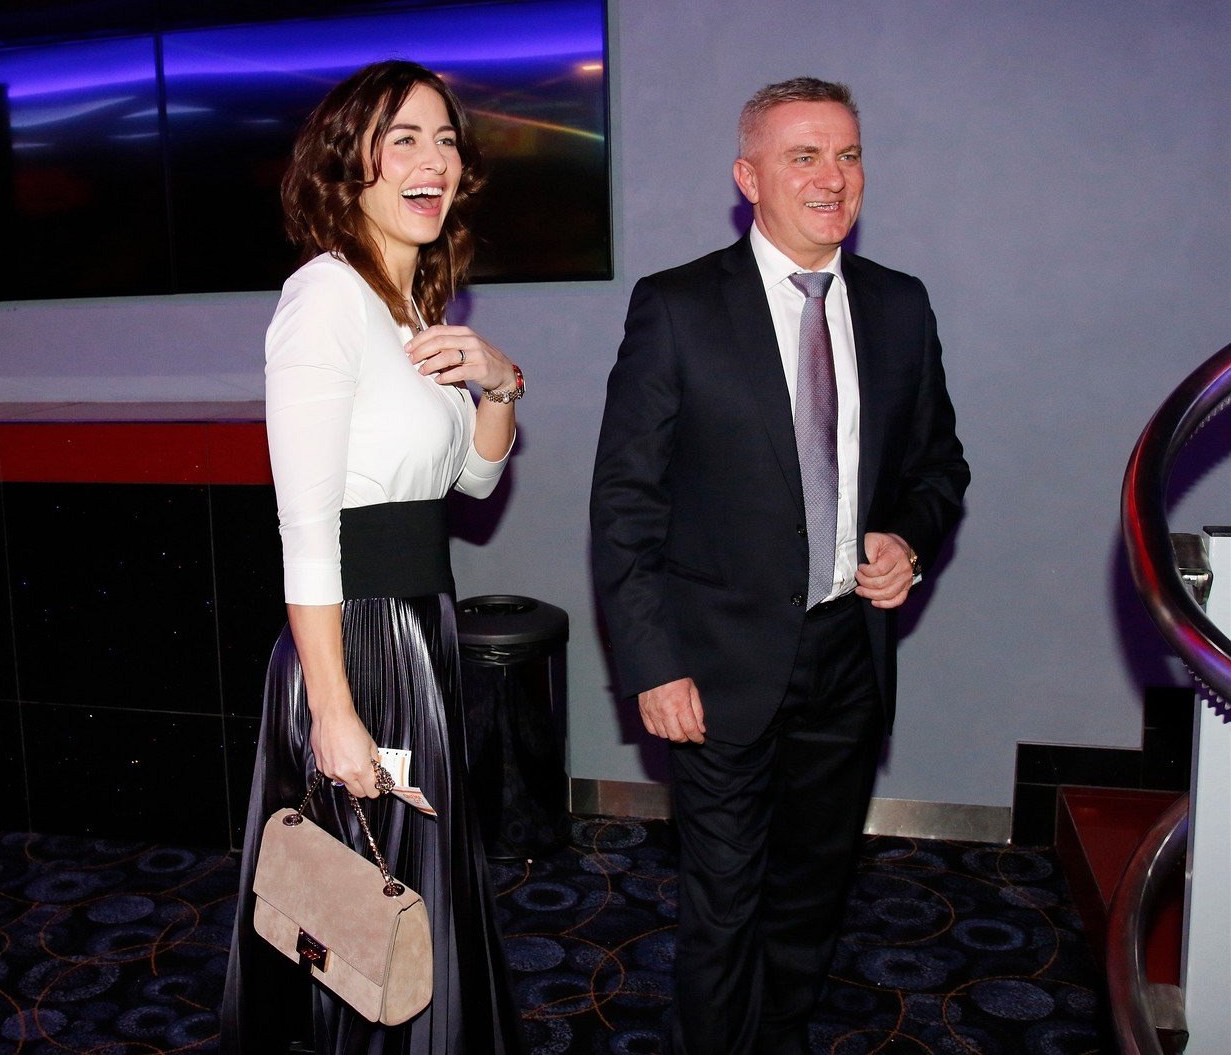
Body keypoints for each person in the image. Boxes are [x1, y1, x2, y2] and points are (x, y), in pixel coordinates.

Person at [589, 77, 970, 1055]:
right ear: (748, 176)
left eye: (847, 155)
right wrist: (651, 665)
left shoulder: (898, 306)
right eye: (803, 156)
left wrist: (906, 538)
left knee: (810, 893)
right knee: (722, 906)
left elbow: (938, 467)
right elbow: (625, 504)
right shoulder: (676, 307)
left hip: (848, 657)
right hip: (714, 665)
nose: (831, 177)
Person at [221, 60, 527, 1055]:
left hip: (418, 628)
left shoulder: (414, 311)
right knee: (364, 898)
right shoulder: (324, 297)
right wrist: (336, 713)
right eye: (402, 139)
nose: (431, 159)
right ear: (345, 164)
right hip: (358, 646)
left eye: (444, 140)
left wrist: (498, 383)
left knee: (407, 891)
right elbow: (306, 525)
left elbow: (474, 481)